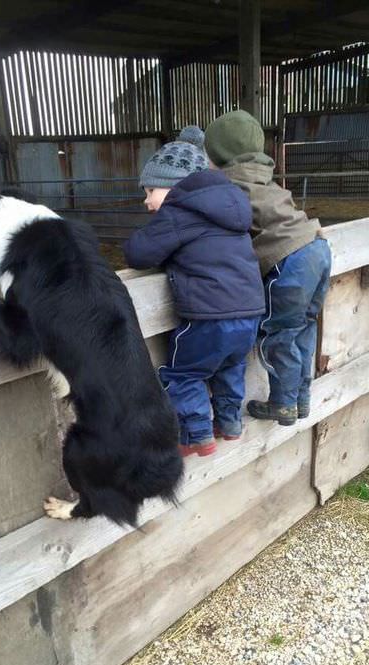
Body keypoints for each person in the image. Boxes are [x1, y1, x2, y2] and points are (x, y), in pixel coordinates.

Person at [123, 136, 265, 457]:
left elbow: (138, 253)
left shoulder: (179, 212)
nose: (146, 201)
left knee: (182, 374)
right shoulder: (232, 209)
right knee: (230, 367)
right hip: (250, 314)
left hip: (208, 317)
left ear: (174, 186)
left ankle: (195, 435)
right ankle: (229, 423)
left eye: (150, 191)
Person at [204, 110, 332, 427]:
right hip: (317, 247)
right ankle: (300, 399)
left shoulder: (226, 187)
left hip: (290, 259)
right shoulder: (262, 176)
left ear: (218, 153)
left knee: (277, 334)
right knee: (303, 327)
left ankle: (283, 404)